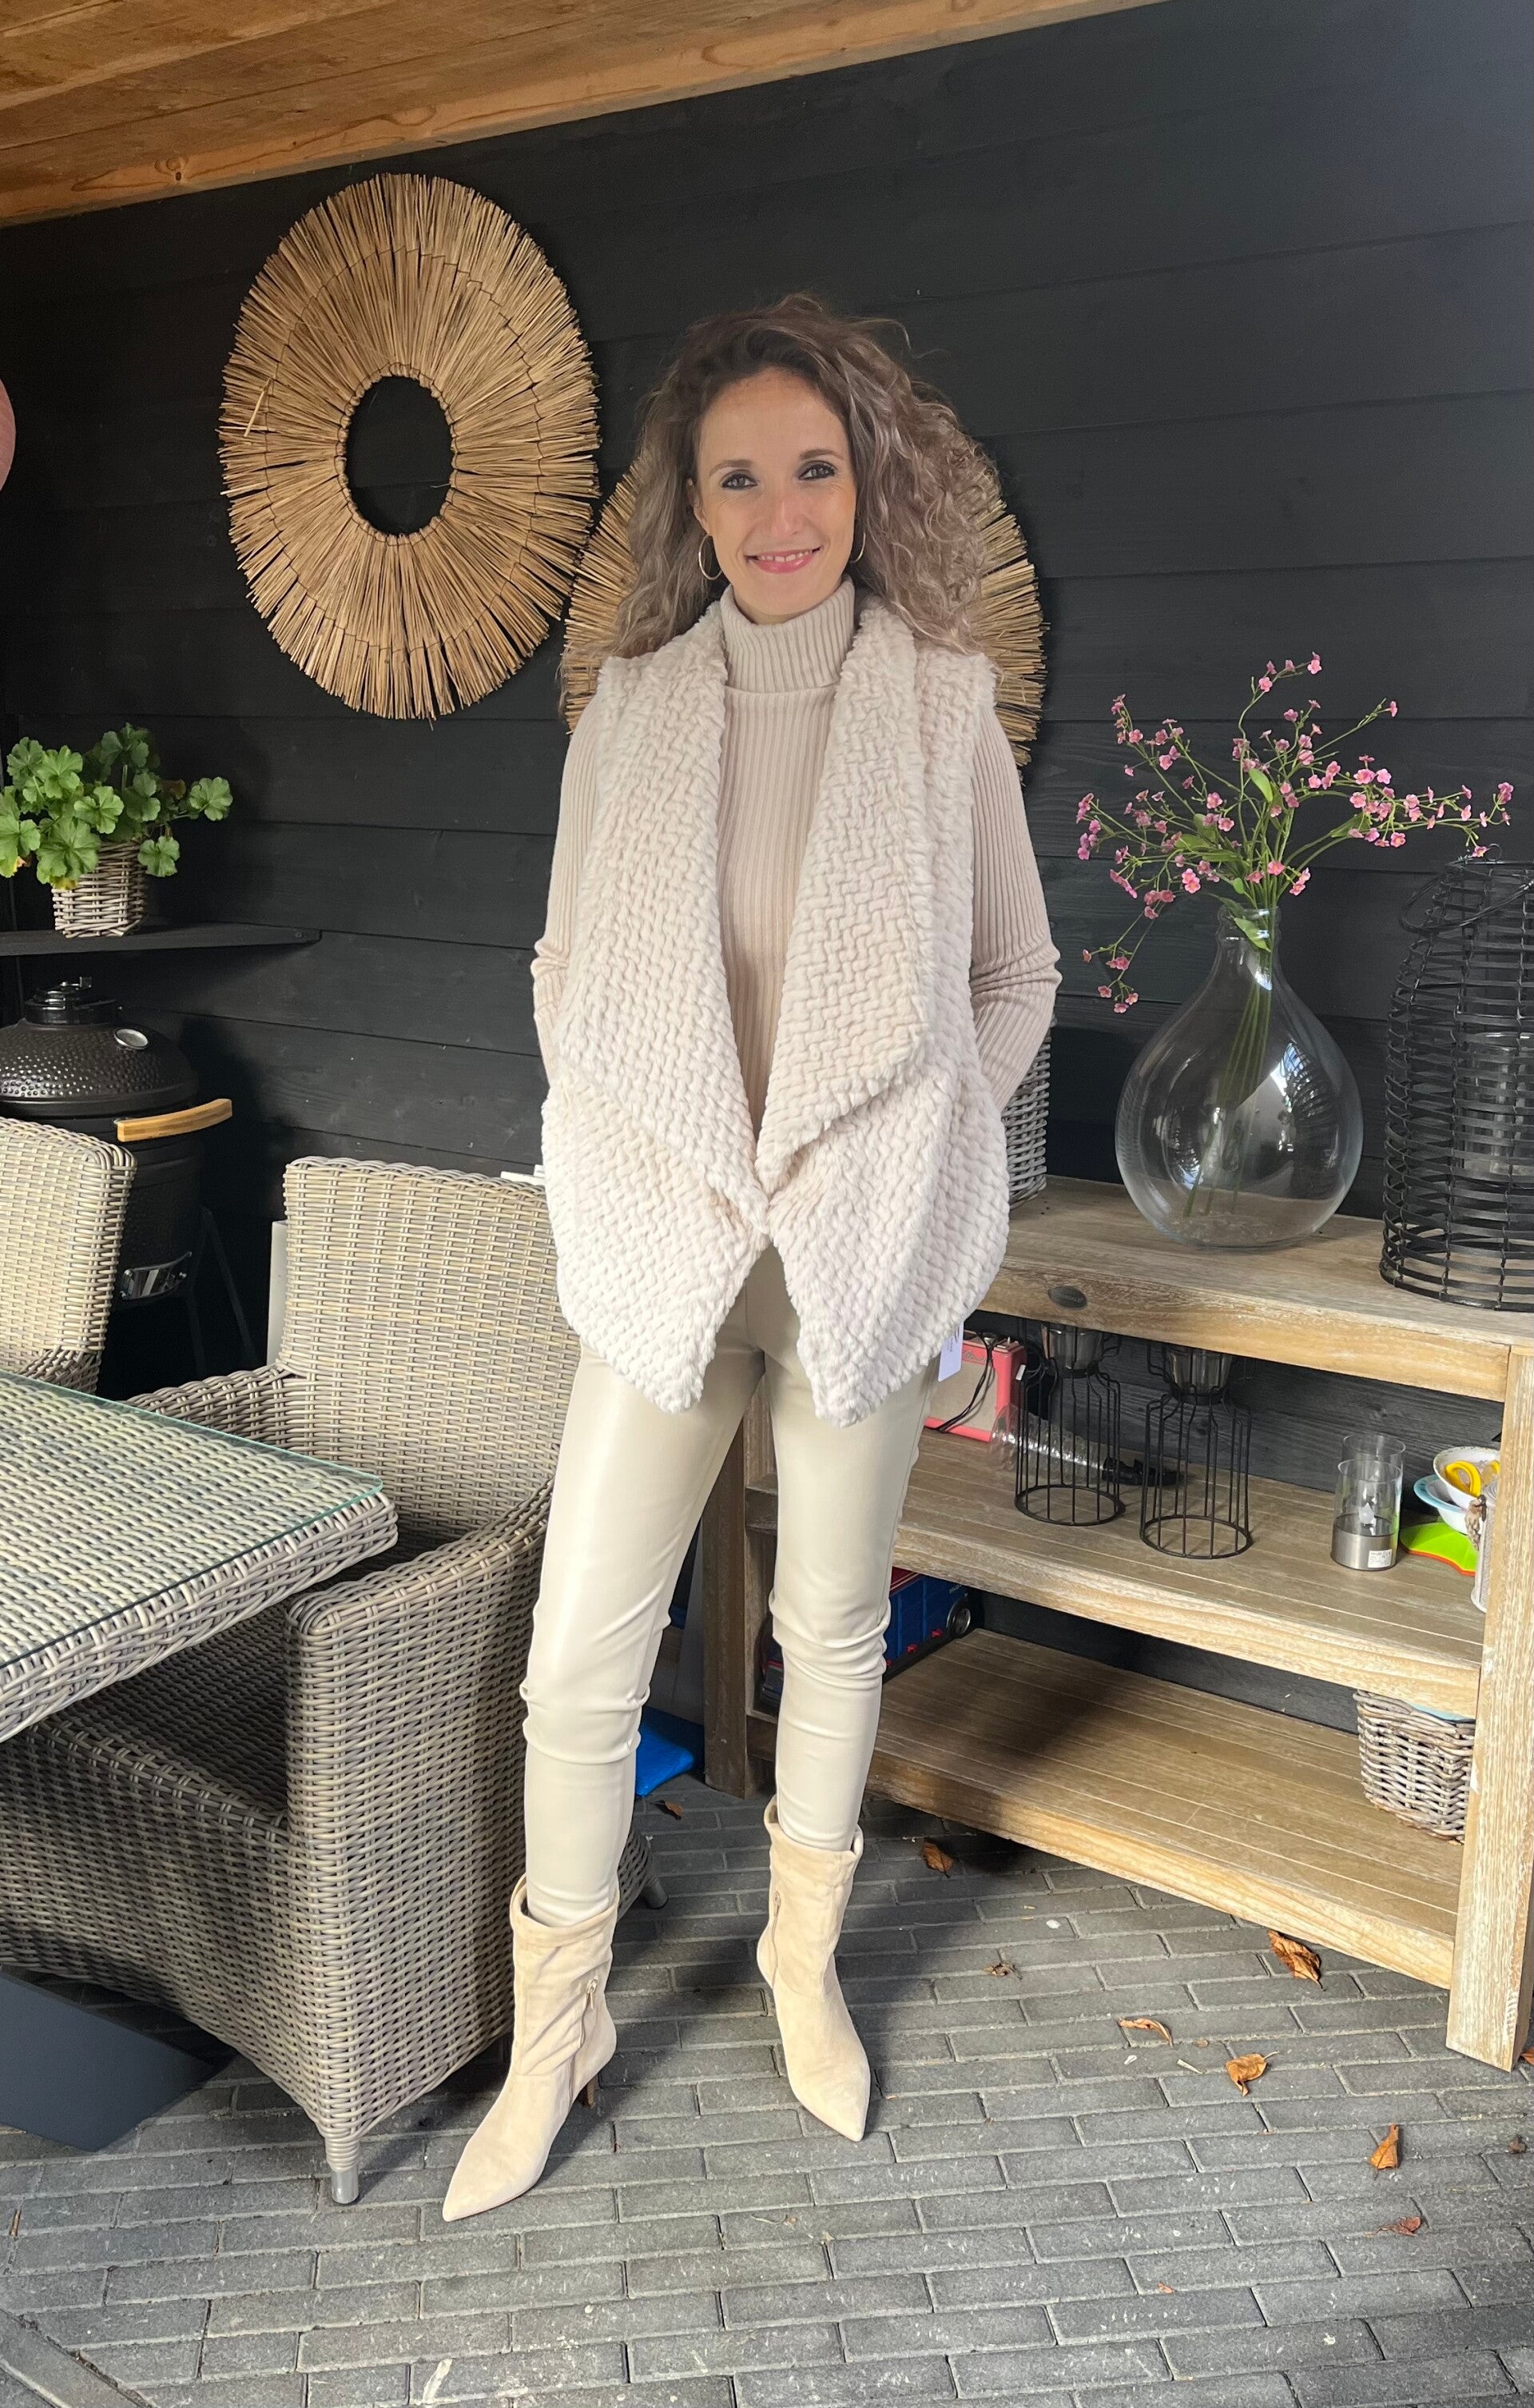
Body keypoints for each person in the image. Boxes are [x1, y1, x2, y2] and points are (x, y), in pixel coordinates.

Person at [443, 293, 1059, 2223]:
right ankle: (555, 2032)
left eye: (814, 469)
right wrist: (628, 1151)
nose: (781, 513)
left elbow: (1016, 975)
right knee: (577, 1660)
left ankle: (803, 1961)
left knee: (834, 1627)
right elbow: (564, 974)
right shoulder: (628, 711)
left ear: (865, 483)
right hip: (668, 1240)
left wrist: (932, 1139)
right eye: (739, 478)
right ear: (691, 505)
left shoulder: (942, 705)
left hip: (861, 1251)